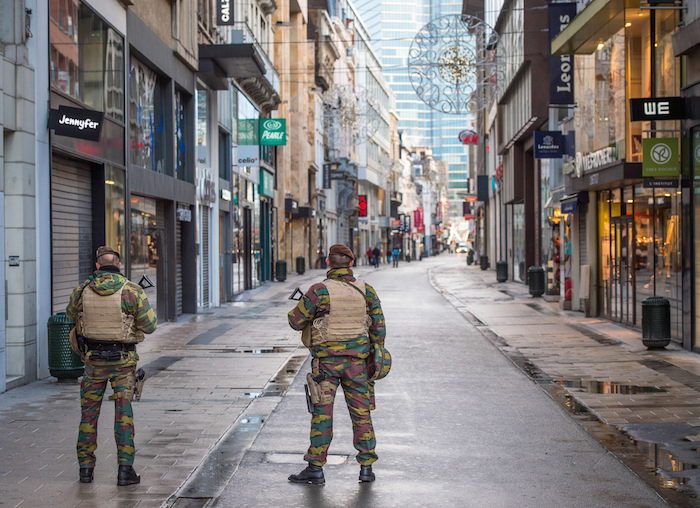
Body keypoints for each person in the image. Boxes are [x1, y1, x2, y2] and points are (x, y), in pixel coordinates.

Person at [287, 244, 386, 485]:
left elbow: (295, 321)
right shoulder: (367, 291)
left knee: (322, 415)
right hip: (358, 365)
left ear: (328, 263)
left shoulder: (319, 291)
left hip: (326, 366)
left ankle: (315, 469)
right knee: (361, 414)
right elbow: (379, 330)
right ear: (351, 263)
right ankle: (366, 468)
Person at [66, 246, 157, 486]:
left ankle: (85, 471)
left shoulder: (81, 290)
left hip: (93, 361)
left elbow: (70, 316)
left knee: (88, 415)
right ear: (118, 265)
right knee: (123, 414)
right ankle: (125, 471)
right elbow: (149, 326)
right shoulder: (131, 291)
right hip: (123, 363)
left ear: (97, 266)